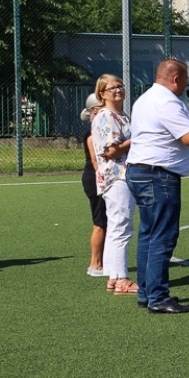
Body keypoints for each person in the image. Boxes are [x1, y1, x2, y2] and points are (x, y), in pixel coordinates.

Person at [124, 58, 189, 314]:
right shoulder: (167, 102)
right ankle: (158, 297)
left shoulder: (145, 99)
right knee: (163, 235)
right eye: (185, 80)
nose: (185, 85)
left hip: (139, 170)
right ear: (176, 79)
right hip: (158, 175)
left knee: (148, 233)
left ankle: (146, 292)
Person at [90, 77, 135, 295]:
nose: (118, 90)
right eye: (112, 88)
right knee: (121, 228)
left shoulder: (120, 115)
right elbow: (110, 150)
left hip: (121, 175)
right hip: (116, 176)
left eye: (120, 86)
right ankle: (121, 279)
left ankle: (113, 276)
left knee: (117, 227)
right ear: (102, 94)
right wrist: (137, 139)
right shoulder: (107, 116)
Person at [80, 92, 107, 278]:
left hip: (100, 178)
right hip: (96, 179)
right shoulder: (92, 134)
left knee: (107, 222)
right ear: (95, 110)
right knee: (100, 222)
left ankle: (104, 262)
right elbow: (97, 162)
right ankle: (95, 264)